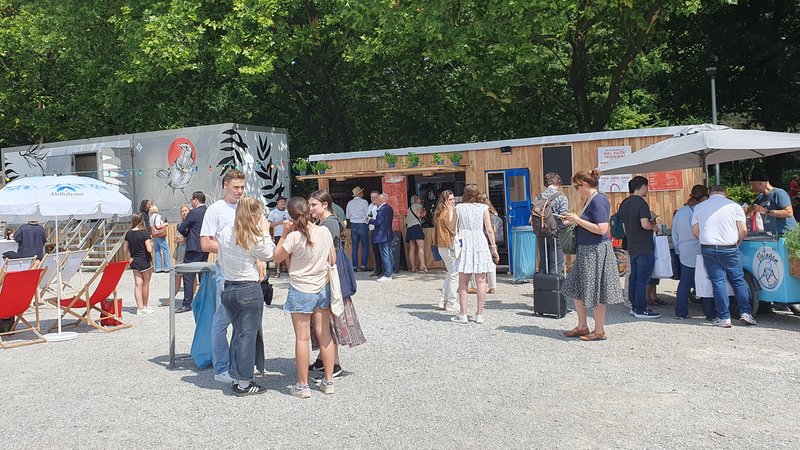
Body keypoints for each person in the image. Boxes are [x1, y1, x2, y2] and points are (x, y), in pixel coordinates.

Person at [273, 197, 337, 398]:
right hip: (322, 287)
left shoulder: (293, 237)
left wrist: (283, 235)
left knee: (302, 337)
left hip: (301, 288)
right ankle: (328, 381)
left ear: (291, 216)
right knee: (324, 334)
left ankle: (303, 385)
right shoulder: (324, 231)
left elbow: (276, 257)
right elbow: (332, 258)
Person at [217, 196, 275, 396]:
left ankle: (236, 375)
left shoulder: (225, 233)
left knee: (238, 334)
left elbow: (222, 260)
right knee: (248, 336)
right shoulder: (253, 235)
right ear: (253, 214)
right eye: (259, 214)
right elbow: (269, 254)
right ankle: (244, 383)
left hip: (229, 287)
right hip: (248, 288)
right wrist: (266, 231)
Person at [308, 190, 367, 379]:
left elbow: (329, 251)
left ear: (325, 205)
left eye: (313, 205)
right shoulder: (325, 222)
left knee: (330, 317)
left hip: (333, 271)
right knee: (325, 316)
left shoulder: (330, 223)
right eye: (310, 205)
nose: (310, 209)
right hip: (331, 269)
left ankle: (334, 363)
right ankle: (322, 358)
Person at [561, 170, 624, 341]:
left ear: (585, 184)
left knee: (596, 292)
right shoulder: (591, 199)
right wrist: (572, 220)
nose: (576, 190)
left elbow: (602, 229)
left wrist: (578, 220)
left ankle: (599, 330)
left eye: (577, 186)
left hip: (595, 250)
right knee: (576, 287)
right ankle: (582, 326)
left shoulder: (598, 200)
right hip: (587, 250)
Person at [200, 169, 245, 384]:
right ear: (225, 185)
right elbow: (206, 243)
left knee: (243, 321)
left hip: (247, 272)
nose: (240, 191)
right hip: (225, 271)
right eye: (236, 187)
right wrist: (233, 248)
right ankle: (221, 368)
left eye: (242, 187)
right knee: (222, 320)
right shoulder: (215, 210)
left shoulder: (246, 207)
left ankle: (239, 364)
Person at [692, 185, 756, 327]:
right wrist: (738, 240)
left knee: (718, 282)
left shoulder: (700, 207)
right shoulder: (734, 206)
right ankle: (745, 313)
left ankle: (724, 317)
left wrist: (705, 239)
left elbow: (695, 231)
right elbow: (743, 229)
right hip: (730, 248)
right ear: (725, 193)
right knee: (738, 281)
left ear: (710, 193)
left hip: (708, 248)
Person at [451, 184, 499, 324]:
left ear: (465, 194)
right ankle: (479, 314)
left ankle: (463, 314)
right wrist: (493, 247)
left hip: (465, 241)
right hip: (480, 241)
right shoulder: (483, 208)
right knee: (481, 280)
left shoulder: (459, 208)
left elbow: (452, 227)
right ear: (477, 194)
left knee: (463, 281)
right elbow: (489, 230)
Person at [618, 176, 660, 319]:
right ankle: (641, 309)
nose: (647, 190)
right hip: (644, 245)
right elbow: (645, 224)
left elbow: (624, 227)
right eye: (647, 187)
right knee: (643, 278)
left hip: (631, 244)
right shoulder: (641, 203)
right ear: (643, 186)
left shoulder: (624, 204)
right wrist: (654, 227)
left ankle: (634, 306)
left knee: (634, 277)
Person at [672, 185, 716, 320]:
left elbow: (674, 233)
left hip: (685, 251)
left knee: (685, 282)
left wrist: (678, 248)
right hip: (701, 249)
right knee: (706, 281)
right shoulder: (704, 210)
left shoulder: (681, 212)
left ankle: (680, 312)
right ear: (704, 197)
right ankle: (709, 313)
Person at [176, 192, 209, 313]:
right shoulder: (208, 211)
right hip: (205, 246)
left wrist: (187, 234)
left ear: (195, 200)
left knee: (189, 276)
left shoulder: (193, 212)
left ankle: (187, 303)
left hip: (193, 246)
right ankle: (205, 300)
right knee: (203, 274)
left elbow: (181, 228)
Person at [536, 172, 569, 274]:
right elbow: (563, 216)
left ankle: (543, 285)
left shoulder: (538, 198)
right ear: (558, 183)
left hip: (540, 231)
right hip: (555, 231)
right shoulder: (561, 197)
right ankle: (554, 285)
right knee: (556, 258)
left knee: (543, 258)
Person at [124, 213, 154, 316]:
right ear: (142, 221)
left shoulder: (128, 233)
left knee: (138, 284)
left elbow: (125, 250)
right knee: (146, 283)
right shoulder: (144, 233)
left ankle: (139, 308)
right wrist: (152, 244)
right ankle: (145, 306)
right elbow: (149, 249)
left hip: (134, 261)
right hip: (145, 260)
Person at [434, 190, 459, 311]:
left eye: (453, 199)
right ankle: (451, 302)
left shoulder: (439, 212)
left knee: (450, 273)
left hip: (442, 247)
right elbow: (452, 228)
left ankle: (443, 300)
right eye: (450, 199)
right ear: (444, 201)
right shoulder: (448, 212)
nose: (453, 201)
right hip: (449, 246)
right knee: (455, 274)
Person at [369, 193, 394, 282]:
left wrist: (369, 220)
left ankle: (387, 274)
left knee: (385, 255)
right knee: (389, 254)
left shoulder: (382, 210)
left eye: (377, 199)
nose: (376, 201)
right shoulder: (389, 208)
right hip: (388, 234)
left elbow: (378, 222)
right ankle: (390, 272)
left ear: (381, 200)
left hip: (382, 235)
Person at [346, 186, 369, 272]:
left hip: (353, 225)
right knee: (365, 246)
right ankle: (363, 265)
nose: (363, 193)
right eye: (362, 192)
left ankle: (354, 266)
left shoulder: (349, 203)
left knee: (354, 247)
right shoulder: (364, 202)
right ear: (359, 194)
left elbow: (347, 216)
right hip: (362, 224)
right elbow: (367, 214)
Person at [267, 196, 291, 277]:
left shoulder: (288, 212)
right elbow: (269, 224)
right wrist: (279, 223)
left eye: (284, 201)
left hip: (287, 234)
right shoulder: (273, 212)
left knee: (287, 253)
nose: (283, 203)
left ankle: (289, 271)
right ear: (277, 203)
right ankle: (278, 271)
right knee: (278, 253)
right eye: (281, 201)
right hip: (278, 235)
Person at [405, 195, 428, 272]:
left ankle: (413, 267)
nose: (420, 200)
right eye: (419, 198)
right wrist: (424, 214)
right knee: (421, 247)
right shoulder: (419, 206)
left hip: (409, 228)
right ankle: (423, 265)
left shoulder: (409, 208)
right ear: (416, 199)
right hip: (416, 227)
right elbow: (419, 215)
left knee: (412, 248)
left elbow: (406, 221)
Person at [172, 204, 190, 300]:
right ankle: (172, 297)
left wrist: (184, 239)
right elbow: (176, 240)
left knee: (191, 275)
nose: (184, 213)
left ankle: (190, 298)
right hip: (180, 252)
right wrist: (177, 240)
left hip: (189, 251)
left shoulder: (192, 224)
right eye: (182, 211)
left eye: (185, 210)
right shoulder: (179, 225)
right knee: (177, 275)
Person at [148, 205, 172, 273]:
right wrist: (165, 224)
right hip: (160, 235)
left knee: (157, 251)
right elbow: (158, 226)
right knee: (165, 250)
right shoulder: (158, 216)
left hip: (154, 235)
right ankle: (167, 267)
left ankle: (158, 267)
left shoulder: (151, 218)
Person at [367, 191, 382, 277]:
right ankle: (377, 270)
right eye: (372, 197)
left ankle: (383, 270)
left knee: (381, 251)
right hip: (372, 230)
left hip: (378, 231)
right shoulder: (370, 206)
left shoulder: (380, 207)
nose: (373, 199)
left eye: (375, 197)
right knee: (375, 251)